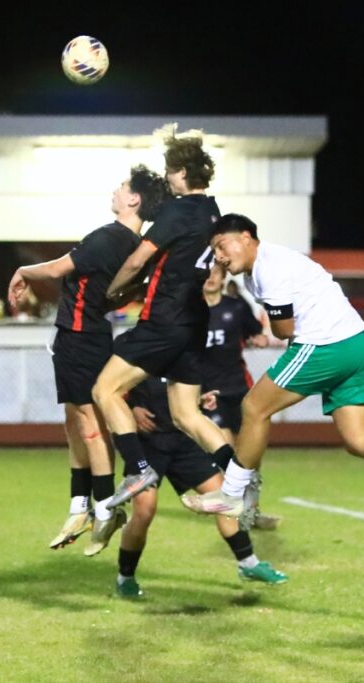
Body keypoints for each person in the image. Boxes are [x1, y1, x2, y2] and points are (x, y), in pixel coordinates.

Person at [180, 214, 364, 543]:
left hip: (325, 345)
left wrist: (275, 331)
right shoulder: (261, 270)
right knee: (357, 438)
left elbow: (285, 329)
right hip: (357, 343)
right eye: (214, 251)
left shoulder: (267, 265)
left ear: (246, 237)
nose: (218, 256)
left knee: (254, 407)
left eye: (221, 246)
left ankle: (231, 493)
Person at [8, 166, 170, 556]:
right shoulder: (134, 247)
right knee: (75, 421)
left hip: (79, 337)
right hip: (88, 333)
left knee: (89, 424)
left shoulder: (107, 237)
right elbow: (120, 296)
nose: (116, 190)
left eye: (123, 187)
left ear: (134, 199)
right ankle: (81, 504)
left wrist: (21, 272)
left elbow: (56, 268)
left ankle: (103, 508)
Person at [92, 125, 235, 508]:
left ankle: (139, 469)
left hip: (164, 320)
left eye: (171, 170)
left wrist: (111, 292)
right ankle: (240, 486)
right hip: (193, 324)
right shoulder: (211, 211)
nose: (168, 178)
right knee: (187, 415)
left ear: (183, 173)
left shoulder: (179, 209)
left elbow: (140, 257)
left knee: (104, 390)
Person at [114, 376, 288, 598]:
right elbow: (110, 395)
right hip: (148, 445)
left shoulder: (185, 353)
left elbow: (186, 396)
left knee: (226, 498)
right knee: (144, 512)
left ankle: (248, 563)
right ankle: (125, 577)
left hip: (183, 443)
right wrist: (132, 410)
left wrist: (201, 399)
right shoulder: (136, 351)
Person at [200, 275, 281, 530]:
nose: (211, 278)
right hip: (210, 394)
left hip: (240, 388)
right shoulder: (191, 311)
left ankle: (252, 512)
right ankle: (234, 512)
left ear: (223, 277)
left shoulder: (236, 306)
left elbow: (257, 334)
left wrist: (260, 339)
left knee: (252, 455)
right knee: (228, 452)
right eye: (207, 272)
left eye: (216, 272)